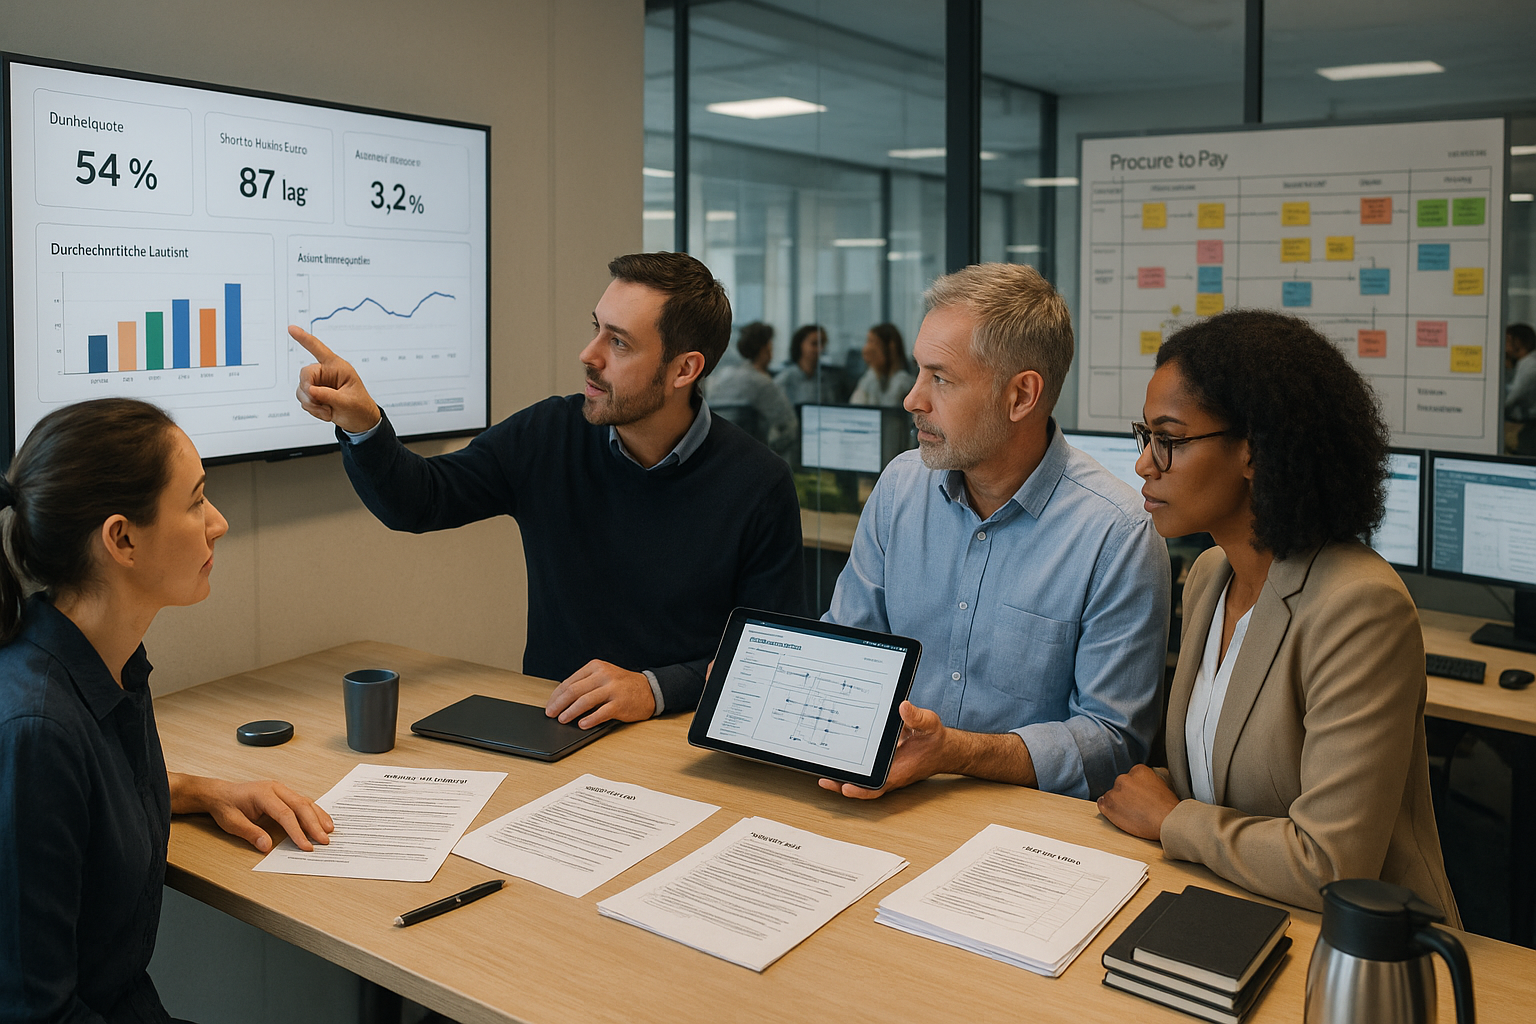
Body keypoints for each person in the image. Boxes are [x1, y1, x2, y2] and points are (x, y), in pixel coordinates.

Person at [290, 252, 805, 727]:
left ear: (684, 369)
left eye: (618, 342)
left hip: (682, 738)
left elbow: (772, 658)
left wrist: (654, 690)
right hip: (554, 724)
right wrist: (363, 424)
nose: (589, 354)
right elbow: (419, 500)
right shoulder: (548, 434)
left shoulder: (758, 483)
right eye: (596, 329)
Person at [1096, 308, 1460, 922]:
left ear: (1255, 452)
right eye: (1145, 435)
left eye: (1171, 440)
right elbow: (1222, 780)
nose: (1144, 464)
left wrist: (1171, 819)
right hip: (1227, 904)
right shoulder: (1212, 576)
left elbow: (1330, 864)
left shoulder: (1358, 606)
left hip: (1356, 946)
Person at [0, 398, 334, 1024]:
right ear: (121, 539)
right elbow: (33, 1015)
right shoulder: (35, 731)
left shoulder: (104, 661)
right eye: (196, 502)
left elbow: (82, 799)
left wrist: (200, 790)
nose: (220, 523)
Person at [820, 263, 1170, 801]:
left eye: (940, 378)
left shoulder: (1116, 533)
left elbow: (1112, 742)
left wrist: (954, 752)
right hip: (883, 796)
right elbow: (846, 648)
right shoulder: (901, 486)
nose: (913, 399)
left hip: (1024, 830)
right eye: (918, 372)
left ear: (1021, 396)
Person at [705, 321, 797, 455]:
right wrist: (771, 455)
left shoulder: (723, 376)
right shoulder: (762, 383)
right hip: (751, 460)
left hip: (717, 455)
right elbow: (790, 427)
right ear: (766, 348)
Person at [775, 324, 848, 406]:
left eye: (822, 344)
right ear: (800, 345)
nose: (820, 349)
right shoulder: (785, 379)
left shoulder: (827, 379)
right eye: (814, 344)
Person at [849, 322, 916, 407]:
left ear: (891, 348)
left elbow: (889, 412)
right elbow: (856, 405)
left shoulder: (905, 381)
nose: (866, 349)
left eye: (873, 342)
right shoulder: (871, 376)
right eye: (868, 341)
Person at [1505, 323, 1536, 454]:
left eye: (1507, 340)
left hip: (1529, 426)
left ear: (1517, 342)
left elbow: (1510, 400)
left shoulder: (1530, 366)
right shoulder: (1523, 363)